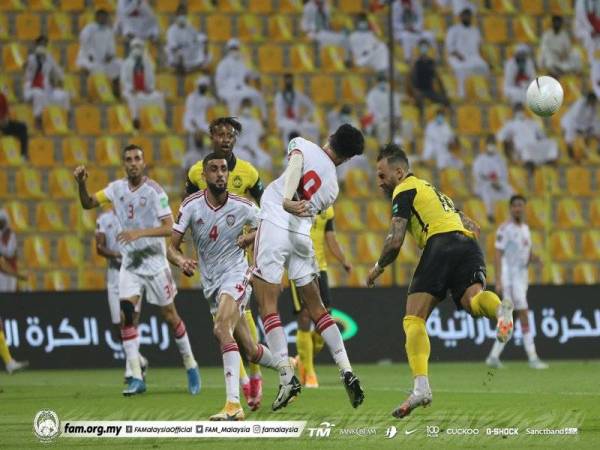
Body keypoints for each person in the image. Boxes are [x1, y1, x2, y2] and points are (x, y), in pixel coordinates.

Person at [366, 144, 514, 418]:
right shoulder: (430, 188)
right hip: (467, 245)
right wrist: (466, 220)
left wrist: (378, 268)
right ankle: (500, 310)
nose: (380, 182)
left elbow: (395, 240)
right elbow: (468, 222)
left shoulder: (404, 189)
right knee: (473, 301)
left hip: (441, 244)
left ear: (399, 172)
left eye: (382, 175)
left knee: (413, 319)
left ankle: (421, 387)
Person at [252, 125, 365, 411]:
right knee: (318, 309)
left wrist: (287, 200)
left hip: (275, 222)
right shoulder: (333, 190)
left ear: (331, 137)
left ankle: (287, 377)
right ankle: (346, 369)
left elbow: (296, 166)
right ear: (348, 158)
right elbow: (308, 211)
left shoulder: (302, 144)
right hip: (301, 239)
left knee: (268, 306)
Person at [73, 144, 201, 396]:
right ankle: (135, 375)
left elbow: (170, 227)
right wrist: (81, 184)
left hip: (154, 263)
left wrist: (139, 233)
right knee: (127, 316)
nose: (133, 162)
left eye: (137, 159)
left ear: (143, 163)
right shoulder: (116, 189)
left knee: (170, 315)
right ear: (124, 164)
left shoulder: (155, 192)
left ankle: (190, 364)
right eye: (129, 159)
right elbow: (88, 203)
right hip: (130, 265)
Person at [169, 153, 279, 421]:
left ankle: (233, 405)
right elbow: (171, 247)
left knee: (220, 329)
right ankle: (288, 367)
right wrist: (181, 260)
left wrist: (250, 237)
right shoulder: (191, 206)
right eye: (214, 169)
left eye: (224, 170)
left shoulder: (243, 206)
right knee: (251, 349)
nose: (220, 173)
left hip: (237, 274)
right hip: (211, 284)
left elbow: (271, 227)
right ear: (204, 176)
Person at [186, 117, 265, 410]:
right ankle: (249, 379)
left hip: (236, 258)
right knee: (227, 325)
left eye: (230, 135)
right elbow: (190, 207)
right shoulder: (197, 171)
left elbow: (265, 206)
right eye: (220, 134)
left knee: (233, 321)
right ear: (211, 137)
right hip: (209, 263)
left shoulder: (248, 172)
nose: (225, 139)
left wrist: (254, 239)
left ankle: (252, 378)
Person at [291, 206, 352, 388]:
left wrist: (343, 260)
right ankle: (309, 373)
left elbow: (331, 238)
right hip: (298, 265)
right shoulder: (296, 202)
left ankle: (302, 360)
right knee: (304, 316)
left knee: (325, 319)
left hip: (320, 267)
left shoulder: (328, 208)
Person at [486, 195, 548, 370]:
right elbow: (498, 254)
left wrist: (536, 259)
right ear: (510, 208)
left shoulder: (526, 229)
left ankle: (493, 356)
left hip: (522, 277)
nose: (518, 209)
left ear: (525, 208)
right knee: (523, 314)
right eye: (515, 206)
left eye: (521, 205)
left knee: (508, 319)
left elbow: (525, 253)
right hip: (510, 278)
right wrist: (498, 279)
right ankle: (533, 357)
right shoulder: (505, 229)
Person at [95, 208, 148, 383]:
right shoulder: (104, 219)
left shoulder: (136, 217)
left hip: (133, 273)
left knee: (132, 319)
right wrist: (117, 254)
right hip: (114, 276)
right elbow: (99, 247)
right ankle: (140, 361)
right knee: (118, 326)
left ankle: (131, 370)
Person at [23, 36, 69, 128]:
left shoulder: (49, 58)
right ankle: (38, 119)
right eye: (41, 44)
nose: (43, 46)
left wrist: (60, 79)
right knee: (38, 94)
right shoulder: (31, 58)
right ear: (37, 45)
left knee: (64, 95)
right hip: (33, 87)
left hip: (46, 88)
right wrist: (37, 59)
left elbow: (58, 71)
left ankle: (64, 119)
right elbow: (25, 68)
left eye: (45, 44)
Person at [497, 103, 559, 172]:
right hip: (521, 149)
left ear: (524, 110)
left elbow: (542, 136)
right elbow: (500, 136)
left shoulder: (531, 122)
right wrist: (508, 140)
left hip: (534, 146)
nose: (520, 112)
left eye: (521, 109)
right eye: (518, 110)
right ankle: (529, 164)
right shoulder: (510, 124)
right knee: (526, 148)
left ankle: (550, 161)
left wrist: (543, 141)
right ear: (514, 112)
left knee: (552, 142)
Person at [215, 39, 267, 119]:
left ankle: (263, 120)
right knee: (236, 97)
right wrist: (233, 85)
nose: (234, 50)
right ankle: (233, 122)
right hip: (227, 90)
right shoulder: (223, 64)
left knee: (258, 95)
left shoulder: (242, 62)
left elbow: (251, 73)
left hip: (242, 88)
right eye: (232, 48)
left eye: (235, 48)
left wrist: (256, 76)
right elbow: (220, 82)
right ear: (228, 49)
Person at [120, 38, 165, 129]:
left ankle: (160, 118)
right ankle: (135, 119)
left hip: (144, 90)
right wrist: (131, 89)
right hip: (131, 91)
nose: (137, 49)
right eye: (135, 46)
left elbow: (151, 78)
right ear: (132, 48)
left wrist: (149, 88)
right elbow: (124, 79)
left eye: (139, 46)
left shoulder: (147, 63)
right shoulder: (126, 63)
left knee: (159, 96)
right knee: (133, 98)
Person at [445, 7, 489, 98]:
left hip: (473, 57)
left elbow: (479, 46)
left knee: (484, 67)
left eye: (468, 15)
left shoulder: (475, 30)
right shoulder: (453, 29)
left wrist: (480, 57)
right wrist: (457, 55)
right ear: (460, 17)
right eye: (465, 15)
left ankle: (481, 93)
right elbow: (449, 47)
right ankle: (462, 95)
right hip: (457, 57)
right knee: (461, 69)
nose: (467, 17)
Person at [77, 9, 122, 95]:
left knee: (119, 65)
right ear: (96, 18)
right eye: (102, 17)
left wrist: (110, 56)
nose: (104, 19)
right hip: (87, 58)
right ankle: (85, 94)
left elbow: (111, 48)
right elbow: (84, 41)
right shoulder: (89, 28)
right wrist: (90, 54)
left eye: (106, 17)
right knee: (89, 68)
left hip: (103, 61)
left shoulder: (109, 31)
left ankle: (116, 95)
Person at [472, 136, 513, 223]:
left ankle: (513, 216)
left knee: (510, 190)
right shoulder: (480, 160)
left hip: (499, 184)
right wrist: (490, 181)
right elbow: (478, 176)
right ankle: (490, 214)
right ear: (486, 145)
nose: (492, 146)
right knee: (487, 189)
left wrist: (497, 183)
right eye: (490, 143)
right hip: (484, 185)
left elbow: (504, 175)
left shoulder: (501, 159)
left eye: (493, 143)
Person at [274, 73, 319, 143]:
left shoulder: (298, 94)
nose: (289, 82)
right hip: (283, 120)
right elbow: (279, 114)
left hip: (297, 120)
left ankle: (314, 149)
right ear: (284, 82)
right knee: (291, 128)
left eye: (290, 81)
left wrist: (304, 118)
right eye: (287, 81)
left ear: (292, 81)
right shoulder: (279, 96)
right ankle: (288, 151)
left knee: (313, 127)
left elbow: (311, 106)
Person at [165, 4, 210, 73]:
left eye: (184, 14)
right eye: (181, 14)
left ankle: (197, 65)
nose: (182, 16)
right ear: (176, 15)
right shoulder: (171, 30)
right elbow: (173, 47)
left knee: (203, 42)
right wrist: (181, 53)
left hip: (189, 53)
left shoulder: (189, 27)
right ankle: (183, 68)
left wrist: (203, 40)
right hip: (178, 55)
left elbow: (197, 37)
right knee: (176, 53)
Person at [409, 39, 449, 111]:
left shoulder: (431, 62)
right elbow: (412, 79)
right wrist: (415, 91)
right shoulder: (416, 63)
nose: (424, 48)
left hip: (430, 90)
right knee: (419, 103)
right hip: (419, 90)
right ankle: (421, 119)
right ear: (419, 48)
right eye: (422, 47)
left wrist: (444, 92)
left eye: (425, 47)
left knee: (445, 100)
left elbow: (437, 78)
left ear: (428, 48)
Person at [183, 75, 215, 161]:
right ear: (199, 87)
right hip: (191, 122)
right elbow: (190, 113)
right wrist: (197, 127)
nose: (204, 89)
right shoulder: (191, 97)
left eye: (206, 87)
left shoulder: (205, 98)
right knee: (198, 133)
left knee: (213, 132)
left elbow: (214, 102)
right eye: (203, 87)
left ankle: (208, 152)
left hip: (202, 124)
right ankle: (195, 153)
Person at [560, 92, 600, 161]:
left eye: (595, 102)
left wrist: (590, 129)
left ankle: (593, 145)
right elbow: (574, 118)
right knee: (570, 131)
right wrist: (580, 130)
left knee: (597, 127)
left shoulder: (593, 106)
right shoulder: (579, 104)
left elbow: (594, 119)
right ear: (589, 100)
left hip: (584, 124)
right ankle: (570, 148)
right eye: (593, 102)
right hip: (571, 122)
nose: (594, 104)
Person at [365, 73, 403, 145]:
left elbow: (371, 113)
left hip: (384, 123)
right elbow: (398, 114)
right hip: (385, 124)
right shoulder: (394, 94)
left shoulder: (372, 94)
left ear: (377, 81)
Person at [236, 98, 272, 171]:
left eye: (248, 106)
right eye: (245, 106)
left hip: (255, 149)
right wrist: (248, 148)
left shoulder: (256, 121)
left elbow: (261, 136)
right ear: (241, 107)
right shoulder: (237, 121)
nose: (247, 108)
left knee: (267, 159)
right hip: (242, 148)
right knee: (248, 160)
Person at [0, 91, 28, 159]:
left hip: (3, 122)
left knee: (22, 127)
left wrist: (4, 119)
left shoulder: (2, 96)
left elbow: (5, 111)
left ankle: (22, 155)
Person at [0, 210, 21, 293]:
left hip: (11, 267)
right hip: (1, 269)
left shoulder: (11, 235)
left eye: (2, 221)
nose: (1, 224)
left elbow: (10, 252)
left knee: (11, 292)